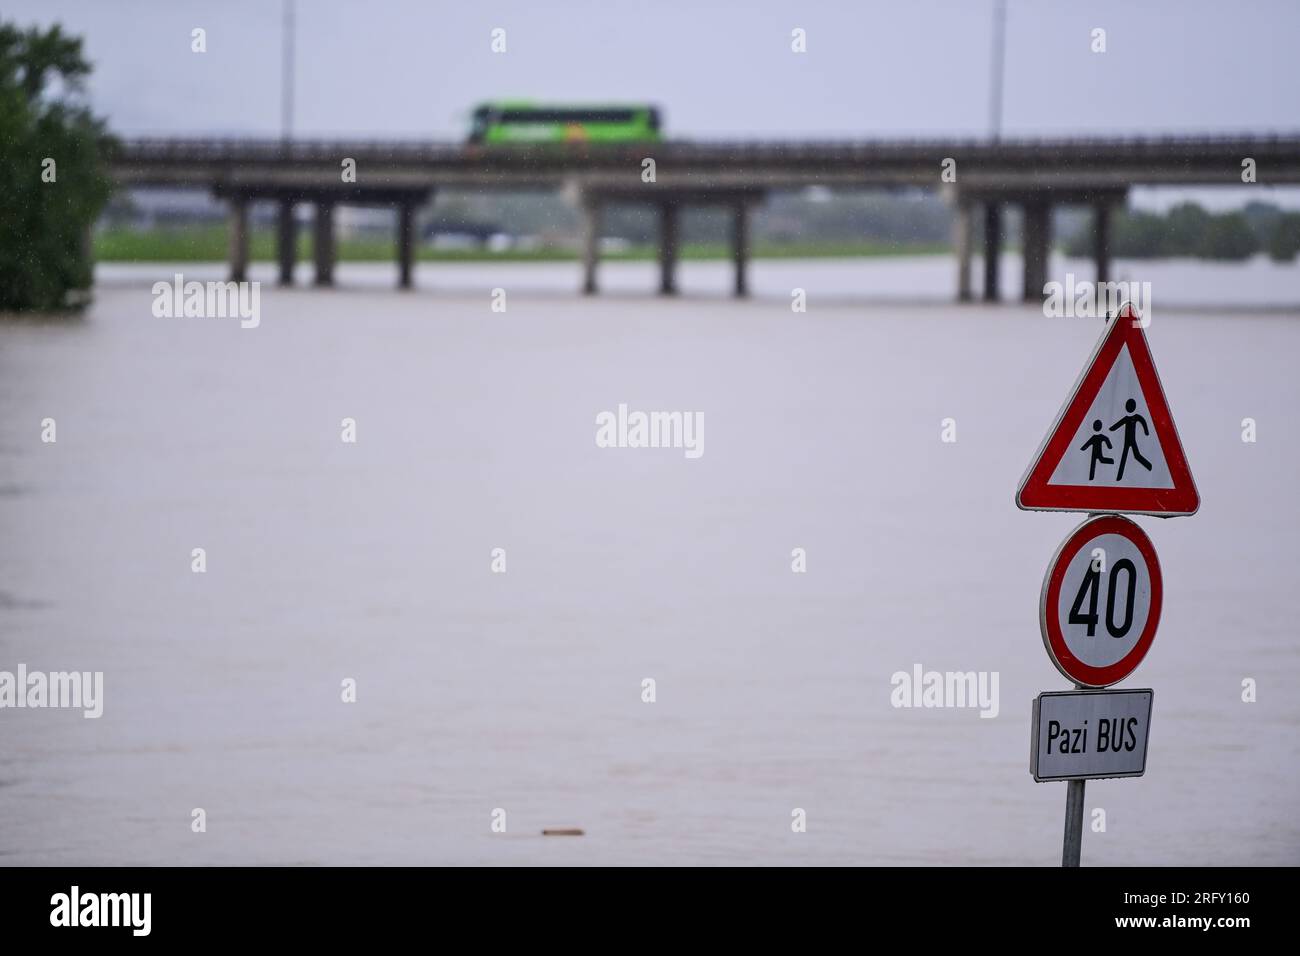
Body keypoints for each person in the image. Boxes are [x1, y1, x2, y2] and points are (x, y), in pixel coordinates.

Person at [1109, 398, 1152, 480]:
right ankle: (1119, 477)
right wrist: (1111, 428)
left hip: (1132, 441)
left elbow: (1143, 421)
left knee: (1134, 456)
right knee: (1127, 456)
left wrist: (1146, 431)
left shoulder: (1135, 417)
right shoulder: (1127, 418)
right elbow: (1118, 424)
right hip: (1127, 441)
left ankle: (1149, 466)